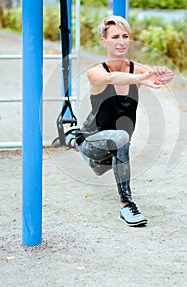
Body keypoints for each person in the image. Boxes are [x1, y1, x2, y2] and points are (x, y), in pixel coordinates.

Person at [65, 15, 174, 227]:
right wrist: (141, 78)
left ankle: (81, 147)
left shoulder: (137, 69)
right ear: (103, 41)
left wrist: (161, 74)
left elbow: (162, 75)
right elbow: (110, 79)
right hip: (93, 141)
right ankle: (126, 205)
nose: (121, 41)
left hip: (115, 148)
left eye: (125, 36)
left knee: (113, 150)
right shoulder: (96, 72)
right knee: (121, 137)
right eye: (115, 37)